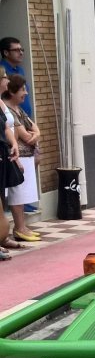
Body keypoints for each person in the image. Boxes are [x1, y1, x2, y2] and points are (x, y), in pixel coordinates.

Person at [1, 37, 38, 213]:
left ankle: (26, 201)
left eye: (22, 49)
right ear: (6, 52)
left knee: (34, 160)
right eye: (16, 50)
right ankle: (16, 205)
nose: (21, 52)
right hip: (15, 123)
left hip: (24, 119)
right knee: (19, 166)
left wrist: (35, 132)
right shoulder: (4, 71)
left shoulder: (20, 69)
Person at [2, 75, 40, 242]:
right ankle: (18, 228)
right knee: (17, 194)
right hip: (15, 156)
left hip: (24, 155)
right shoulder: (8, 109)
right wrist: (30, 136)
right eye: (22, 89)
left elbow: (34, 129)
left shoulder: (19, 109)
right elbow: (24, 135)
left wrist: (36, 134)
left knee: (23, 194)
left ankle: (21, 227)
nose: (25, 93)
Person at [0, 69, 20, 260]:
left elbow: (5, 127)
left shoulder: (0, 103)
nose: (8, 81)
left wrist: (14, 143)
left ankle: (2, 238)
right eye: (5, 77)